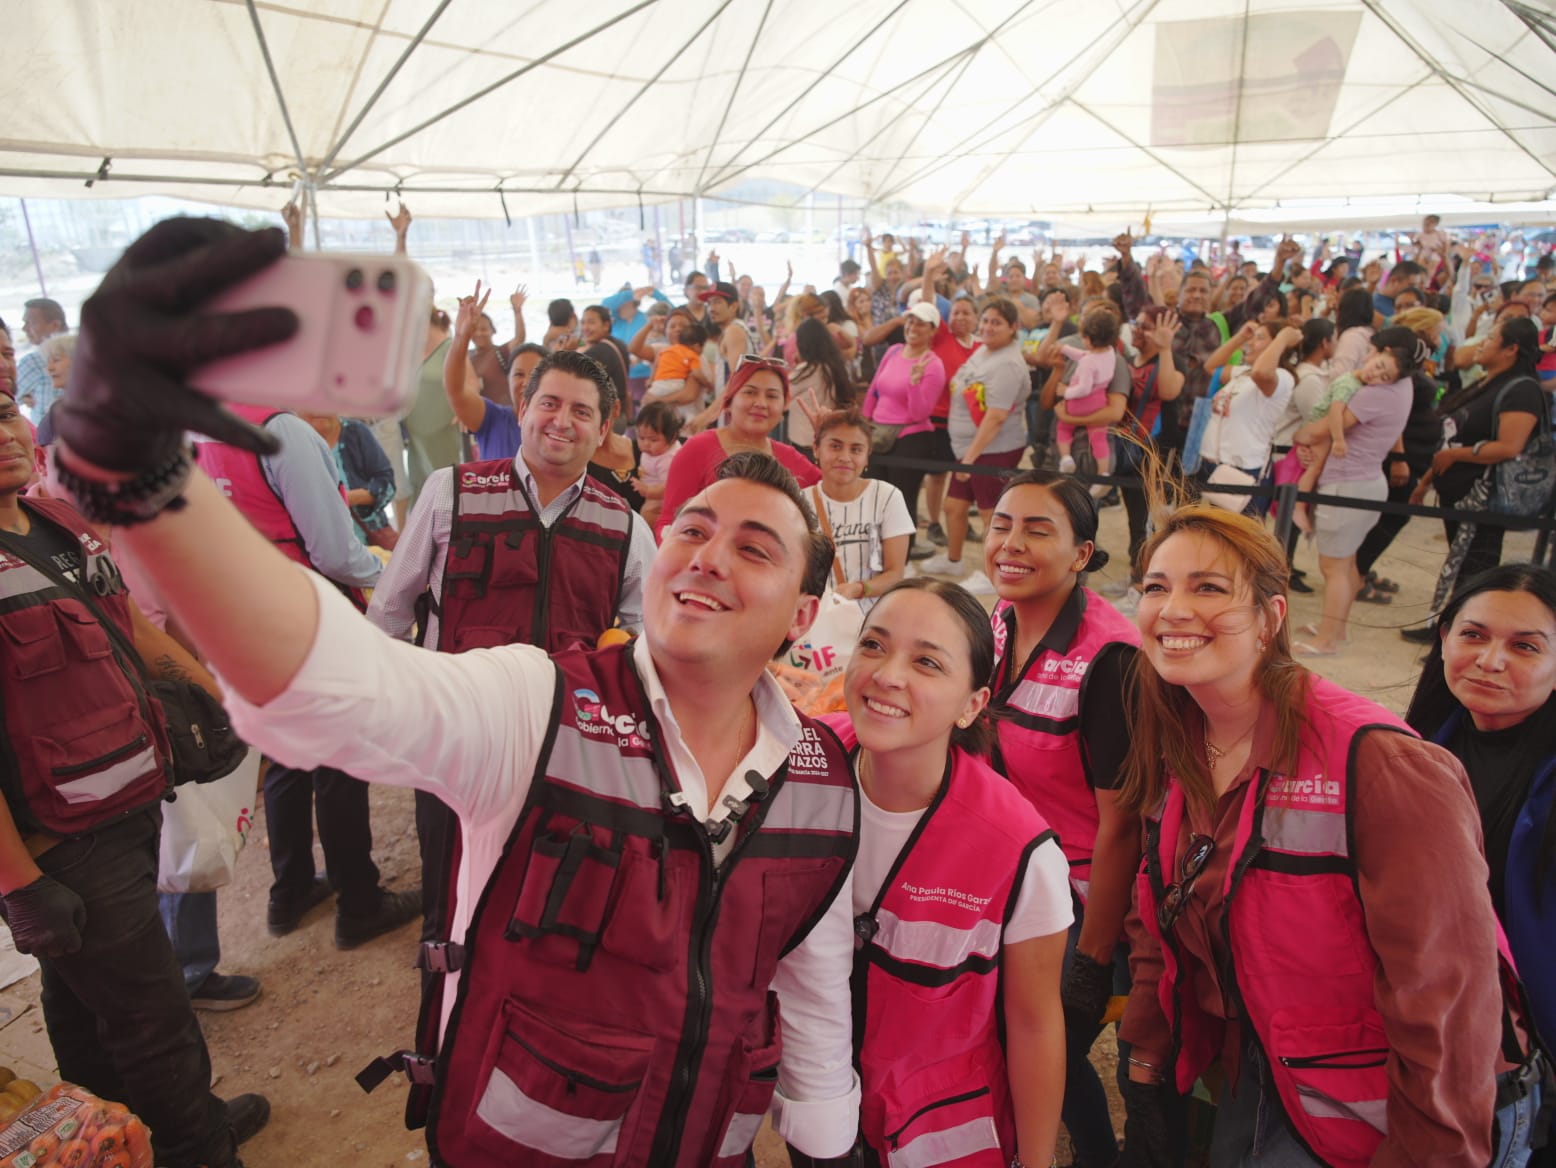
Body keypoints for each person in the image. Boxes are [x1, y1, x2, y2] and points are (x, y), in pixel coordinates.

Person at [45, 219, 862, 1163]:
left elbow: (811, 987)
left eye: (754, 548)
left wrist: (824, 1139)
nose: (707, 556)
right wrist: (144, 478)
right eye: (691, 529)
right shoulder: (538, 704)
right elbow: (340, 681)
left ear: (805, 617)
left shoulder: (821, 783)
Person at [1115, 493, 1516, 1168]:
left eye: (1208, 587)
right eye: (1157, 586)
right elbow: (1159, 905)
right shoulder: (1183, 737)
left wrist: (1430, 1154)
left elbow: (1447, 996)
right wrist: (1149, 1051)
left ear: (1271, 617)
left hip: (1372, 1113)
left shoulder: (1380, 761)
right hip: (1259, 1074)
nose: (1174, 608)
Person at [0, 360, 267, 1168]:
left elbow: (134, 631)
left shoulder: (52, 522)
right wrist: (20, 883)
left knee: (86, 1007)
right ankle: (197, 1145)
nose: (3, 433)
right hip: (60, 843)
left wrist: (220, 696)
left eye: (5, 408)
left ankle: (114, 1139)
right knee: (154, 1017)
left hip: (124, 807)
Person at [370, 344, 656, 939]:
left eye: (582, 412)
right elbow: (391, 610)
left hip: (567, 751)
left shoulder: (626, 527)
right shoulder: (452, 492)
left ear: (604, 429)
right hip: (456, 741)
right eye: (548, 402)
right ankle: (443, 1028)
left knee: (546, 908)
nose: (561, 420)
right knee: (449, 908)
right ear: (522, 407)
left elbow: (640, 642)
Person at [797, 577, 1070, 1166]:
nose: (888, 675)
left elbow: (1034, 1025)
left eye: (927, 661)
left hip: (938, 1135)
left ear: (973, 703)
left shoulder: (1020, 851)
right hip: (814, 1109)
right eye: (873, 645)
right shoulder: (797, 770)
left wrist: (1039, 1160)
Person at [194, 396, 418, 951]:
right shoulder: (282, 430)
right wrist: (389, 576)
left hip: (246, 604)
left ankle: (289, 888)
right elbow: (335, 551)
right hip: (305, 607)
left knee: (289, 755)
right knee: (340, 756)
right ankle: (359, 902)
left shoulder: (205, 425)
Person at [983, 471, 1146, 1168]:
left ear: (1082, 554)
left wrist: (1093, 956)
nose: (1010, 544)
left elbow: (1124, 826)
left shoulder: (1107, 659)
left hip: (1083, 900)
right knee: (1024, 1042)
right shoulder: (998, 618)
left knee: (1031, 1044)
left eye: (1037, 530)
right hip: (1014, 878)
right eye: (1000, 525)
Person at [1406, 565, 1556, 1092]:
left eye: (1526, 647)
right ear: (1444, 638)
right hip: (1421, 1030)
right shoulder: (1405, 749)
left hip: (1522, 1059)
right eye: (1473, 635)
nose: (1490, 662)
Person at [1406, 316, 1546, 641]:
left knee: (1476, 567)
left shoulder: (1522, 389)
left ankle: (1464, 634)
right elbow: (1450, 440)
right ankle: (1451, 628)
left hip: (1485, 496)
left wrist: (1455, 456)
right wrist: (1428, 479)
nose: (1482, 342)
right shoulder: (1489, 381)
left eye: (1491, 336)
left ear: (1511, 348)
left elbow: (1509, 446)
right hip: (1460, 492)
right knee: (1464, 563)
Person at [1288, 329, 1417, 657]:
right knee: (1345, 563)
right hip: (1367, 481)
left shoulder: (1375, 393)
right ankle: (1336, 628)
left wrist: (1301, 435)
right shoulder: (1402, 385)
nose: (1375, 370)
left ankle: (1326, 640)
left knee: (1333, 567)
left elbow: (1322, 428)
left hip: (1348, 483)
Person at [919, 298, 1032, 594]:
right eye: (985, 321)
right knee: (954, 506)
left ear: (1013, 328)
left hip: (992, 450)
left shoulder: (1008, 363)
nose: (987, 327)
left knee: (990, 515)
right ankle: (954, 560)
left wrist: (970, 459)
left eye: (996, 322)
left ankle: (993, 574)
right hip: (969, 450)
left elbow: (995, 417)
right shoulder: (984, 350)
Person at [656, 356, 821, 537]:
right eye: (750, 392)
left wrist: (827, 439)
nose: (760, 403)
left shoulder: (789, 457)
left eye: (772, 396)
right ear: (729, 400)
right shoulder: (697, 449)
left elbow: (835, 491)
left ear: (784, 406)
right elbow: (667, 521)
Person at [860, 300, 946, 561]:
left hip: (911, 436)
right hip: (877, 432)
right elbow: (874, 389)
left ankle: (901, 560)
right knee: (874, 498)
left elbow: (920, 412)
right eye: (910, 321)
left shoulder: (933, 364)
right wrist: (863, 426)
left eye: (921, 323)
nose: (913, 327)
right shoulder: (894, 351)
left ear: (932, 330)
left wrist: (914, 384)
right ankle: (875, 556)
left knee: (902, 502)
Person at [807, 409, 912, 611]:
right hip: (816, 617)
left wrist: (858, 589)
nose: (845, 457)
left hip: (872, 619)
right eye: (835, 446)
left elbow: (895, 574)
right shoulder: (800, 502)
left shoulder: (887, 497)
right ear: (816, 449)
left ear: (867, 456)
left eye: (856, 450)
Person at [1195, 321, 1300, 515]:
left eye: (1260, 338)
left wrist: (1284, 337)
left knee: (1233, 539)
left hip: (1241, 471)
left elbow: (1262, 372)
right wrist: (1240, 338)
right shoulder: (1242, 373)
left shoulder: (1282, 377)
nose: (1251, 343)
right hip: (1217, 466)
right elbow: (1211, 367)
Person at [297, 411, 398, 549]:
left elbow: (387, 484)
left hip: (373, 540)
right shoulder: (293, 445)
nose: (317, 409)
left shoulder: (355, 432)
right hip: (326, 549)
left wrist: (347, 497)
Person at [1053, 311, 1121, 492]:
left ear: (1089, 339)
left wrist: (1066, 392)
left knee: (1063, 428)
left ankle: (1066, 458)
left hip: (1080, 402)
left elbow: (1083, 388)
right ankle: (1103, 474)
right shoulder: (1109, 352)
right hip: (1099, 401)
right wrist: (1065, 349)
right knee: (1098, 437)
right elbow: (1085, 354)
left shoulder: (1088, 363)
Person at [404, 307, 464, 508]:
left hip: (442, 428)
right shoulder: (411, 350)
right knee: (421, 487)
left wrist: (462, 410)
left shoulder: (449, 346)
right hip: (415, 432)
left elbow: (470, 382)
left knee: (447, 486)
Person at [786, 318, 856, 460]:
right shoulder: (835, 368)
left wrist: (795, 367)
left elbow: (783, 393)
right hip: (827, 439)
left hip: (804, 442)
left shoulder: (805, 371)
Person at [630, 399, 683, 529]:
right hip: (654, 491)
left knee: (646, 513)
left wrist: (648, 491)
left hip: (664, 499)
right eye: (641, 438)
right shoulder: (655, 451)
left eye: (653, 440)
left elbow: (669, 487)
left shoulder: (667, 458)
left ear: (672, 437)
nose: (646, 444)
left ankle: (654, 540)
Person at [17, 297, 68, 422]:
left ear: (55, 325)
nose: (25, 329)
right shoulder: (87, 351)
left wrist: (21, 397)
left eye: (31, 322)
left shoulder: (33, 362)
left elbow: (8, 395)